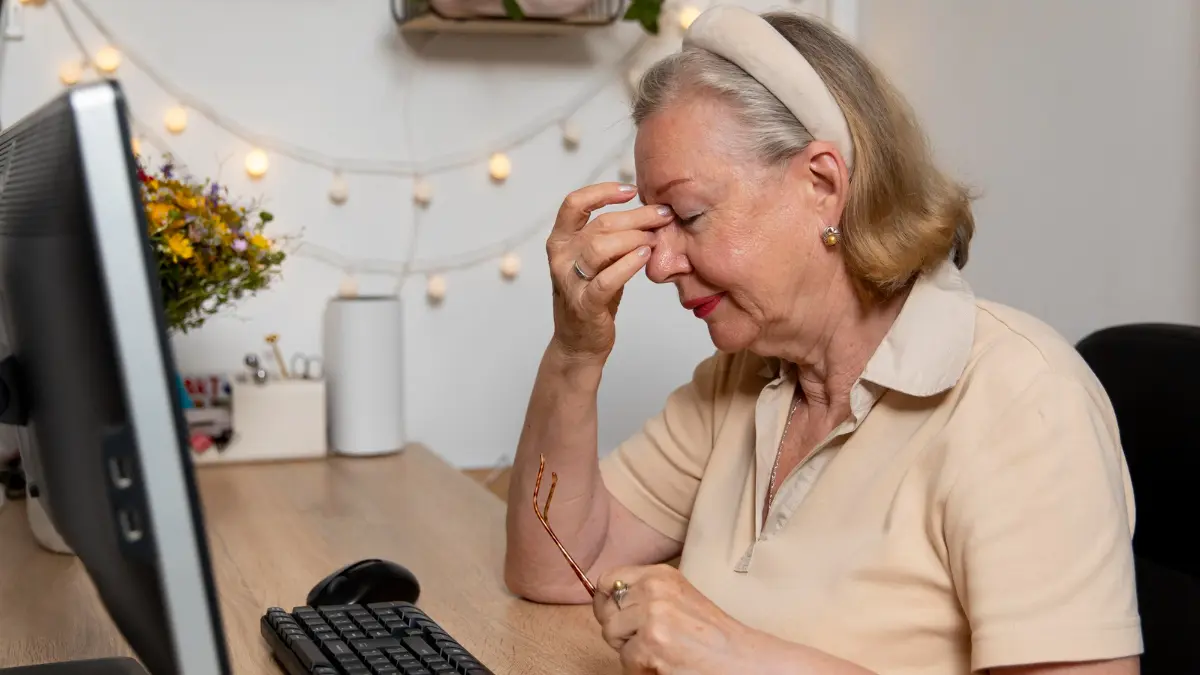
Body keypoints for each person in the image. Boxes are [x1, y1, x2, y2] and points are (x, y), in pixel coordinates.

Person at [503, 5, 1143, 675]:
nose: (659, 265)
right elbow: (552, 566)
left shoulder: (1022, 398)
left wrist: (735, 655)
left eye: (689, 216)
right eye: (655, 223)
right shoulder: (745, 376)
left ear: (823, 185)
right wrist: (576, 351)